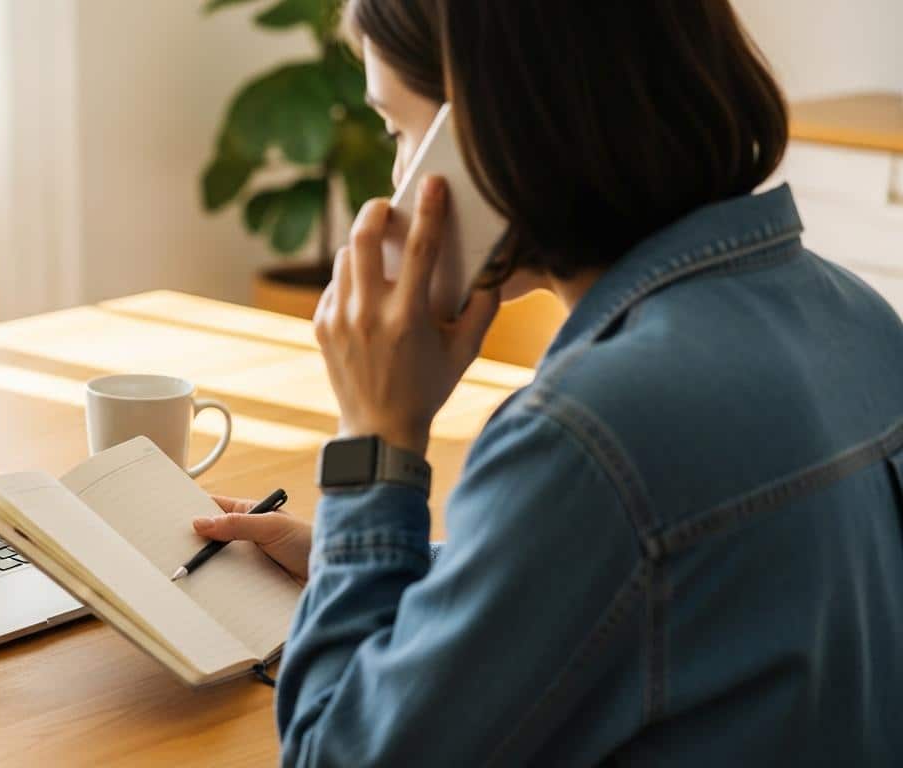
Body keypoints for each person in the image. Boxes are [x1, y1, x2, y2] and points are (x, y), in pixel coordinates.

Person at [194, 0, 903, 764]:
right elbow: (671, 598)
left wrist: (374, 445)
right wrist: (390, 563)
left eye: (402, 134)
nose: (398, 181)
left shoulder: (591, 432)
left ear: (486, 133)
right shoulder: (860, 320)